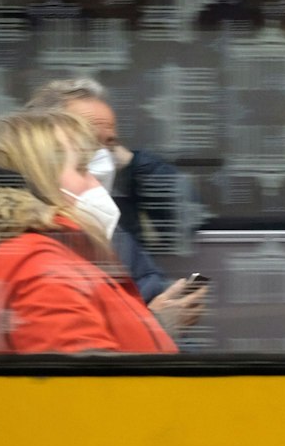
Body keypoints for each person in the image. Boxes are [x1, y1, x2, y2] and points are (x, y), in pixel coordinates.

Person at [0, 108, 191, 354]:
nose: (96, 182)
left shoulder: (43, 259)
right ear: (41, 180)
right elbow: (94, 394)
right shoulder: (38, 269)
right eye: (82, 169)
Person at [23, 76, 201, 305]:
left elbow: (185, 218)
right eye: (87, 143)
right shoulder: (27, 239)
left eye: (108, 144)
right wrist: (156, 323)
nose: (100, 160)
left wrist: (133, 163)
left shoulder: (105, 217)